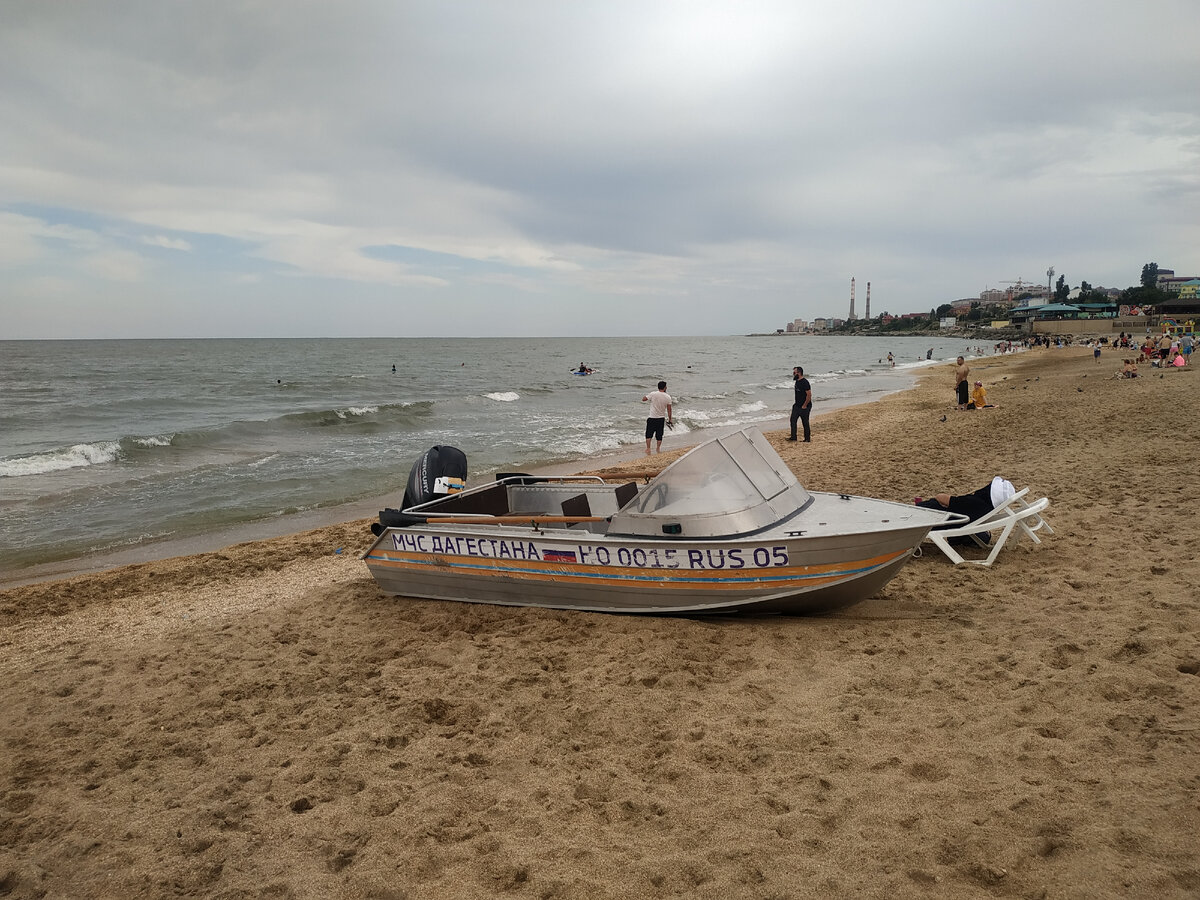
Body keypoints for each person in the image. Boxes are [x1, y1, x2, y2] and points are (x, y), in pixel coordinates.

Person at [915, 477, 1017, 536]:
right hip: (956, 521)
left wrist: (940, 499)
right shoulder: (987, 507)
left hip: (933, 520)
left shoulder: (974, 503)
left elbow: (942, 498)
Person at [641, 381, 673, 454]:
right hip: (661, 418)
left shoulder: (653, 394)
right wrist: (670, 419)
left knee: (649, 434)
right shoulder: (668, 397)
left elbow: (644, 399)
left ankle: (648, 448)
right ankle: (658, 448)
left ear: (658, 387)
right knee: (659, 434)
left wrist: (647, 396)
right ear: (665, 387)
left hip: (652, 417)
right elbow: (669, 409)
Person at [787, 366, 813, 442]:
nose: (793, 374)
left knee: (805, 422)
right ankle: (793, 437)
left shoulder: (805, 382)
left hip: (805, 406)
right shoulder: (797, 381)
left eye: (794, 372)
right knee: (793, 420)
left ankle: (807, 439)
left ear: (799, 373)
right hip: (797, 405)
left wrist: (804, 405)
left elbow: (809, 395)